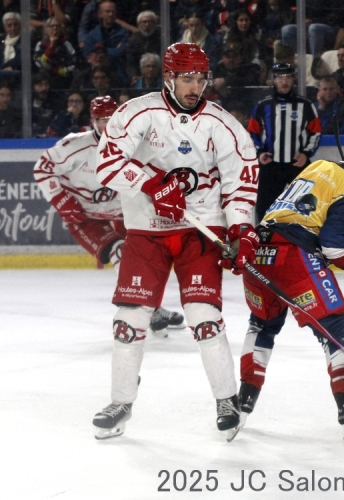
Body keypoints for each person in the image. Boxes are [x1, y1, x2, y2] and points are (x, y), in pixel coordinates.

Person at [90, 43, 259, 440]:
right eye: (187, 78)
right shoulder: (137, 113)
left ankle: (226, 400)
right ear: (168, 77)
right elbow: (106, 162)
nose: (195, 86)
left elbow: (241, 180)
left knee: (204, 318)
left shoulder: (223, 124)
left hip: (199, 228)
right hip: (146, 230)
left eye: (201, 78)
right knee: (128, 321)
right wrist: (152, 183)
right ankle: (120, 402)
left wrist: (240, 230)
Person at [236, 126, 344, 443]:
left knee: (262, 326)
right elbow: (334, 247)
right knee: (337, 330)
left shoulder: (319, 166)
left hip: (260, 251)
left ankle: (241, 404)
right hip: (295, 257)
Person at [34, 95, 185, 335]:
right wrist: (60, 199)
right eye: (101, 119)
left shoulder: (134, 145)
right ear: (92, 120)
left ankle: (152, 307)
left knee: (149, 256)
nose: (107, 125)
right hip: (86, 216)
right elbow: (43, 168)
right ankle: (139, 311)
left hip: (123, 211)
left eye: (111, 118)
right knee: (120, 252)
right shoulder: (75, 145)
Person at [247, 62, 321, 221]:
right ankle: (264, 241)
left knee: (306, 207)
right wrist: (259, 152)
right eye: (280, 77)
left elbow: (316, 132)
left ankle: (302, 242)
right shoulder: (263, 105)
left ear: (294, 79)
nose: (284, 81)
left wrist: (306, 154)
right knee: (265, 208)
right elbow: (252, 133)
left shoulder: (305, 105)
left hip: (297, 164)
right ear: (274, 80)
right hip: (271, 165)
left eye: (288, 76)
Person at [34, 17, 76, 90]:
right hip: (46, 78)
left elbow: (73, 63)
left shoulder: (66, 44)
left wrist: (56, 71)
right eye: (52, 26)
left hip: (64, 79)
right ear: (46, 29)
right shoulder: (40, 44)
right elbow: (40, 63)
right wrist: (51, 46)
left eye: (57, 26)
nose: (55, 28)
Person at [125, 10, 161, 83]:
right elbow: (130, 62)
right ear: (138, 25)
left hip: (159, 76)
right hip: (139, 77)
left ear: (155, 24)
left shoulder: (162, 38)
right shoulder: (133, 40)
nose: (147, 25)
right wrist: (133, 75)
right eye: (144, 22)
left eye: (150, 22)